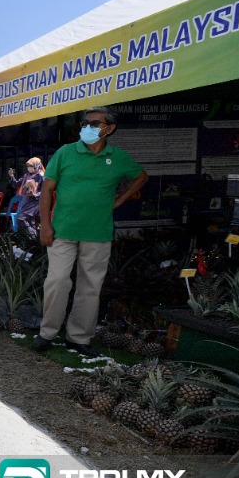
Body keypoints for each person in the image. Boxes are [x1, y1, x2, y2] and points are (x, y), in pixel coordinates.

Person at [33, 106, 148, 357]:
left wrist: (121, 199)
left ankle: (78, 338)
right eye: (85, 123)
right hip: (62, 230)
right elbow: (46, 191)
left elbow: (141, 176)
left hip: (98, 232)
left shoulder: (117, 157)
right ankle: (47, 333)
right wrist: (45, 225)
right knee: (57, 281)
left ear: (110, 128)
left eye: (95, 123)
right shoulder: (65, 152)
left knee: (90, 287)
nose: (88, 127)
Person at [8, 157, 45, 237]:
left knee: (21, 218)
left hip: (34, 203)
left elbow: (45, 191)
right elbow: (16, 184)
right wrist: (12, 176)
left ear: (37, 166)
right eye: (28, 166)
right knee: (30, 221)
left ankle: (32, 237)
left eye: (31, 166)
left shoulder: (41, 176)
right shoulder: (26, 176)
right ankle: (33, 239)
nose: (29, 168)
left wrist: (35, 194)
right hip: (25, 201)